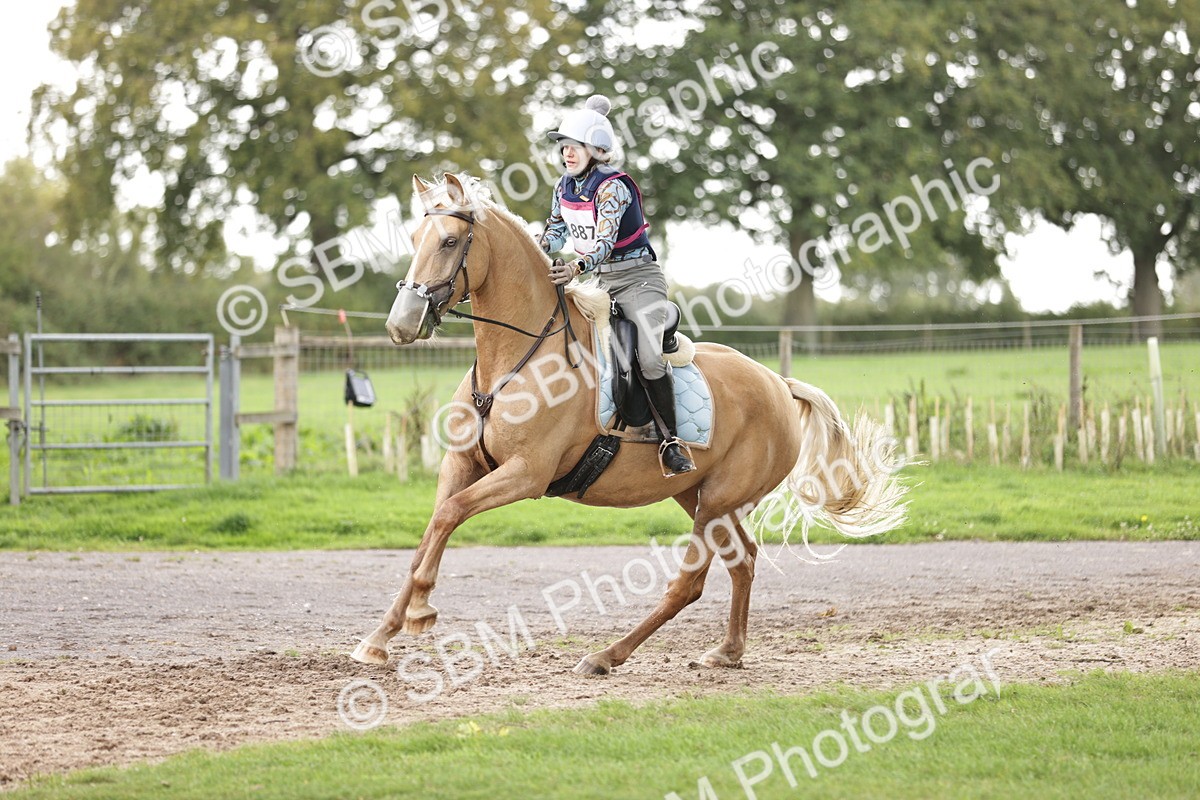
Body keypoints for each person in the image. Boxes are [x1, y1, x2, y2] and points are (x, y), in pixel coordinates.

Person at [540, 94, 695, 476]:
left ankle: (671, 442)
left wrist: (574, 267)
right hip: (599, 280)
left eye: (575, 146)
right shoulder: (563, 186)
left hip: (638, 279)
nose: (566, 153)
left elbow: (605, 242)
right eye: (564, 146)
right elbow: (556, 232)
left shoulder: (613, 187)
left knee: (648, 357)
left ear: (597, 149)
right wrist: (535, 249)